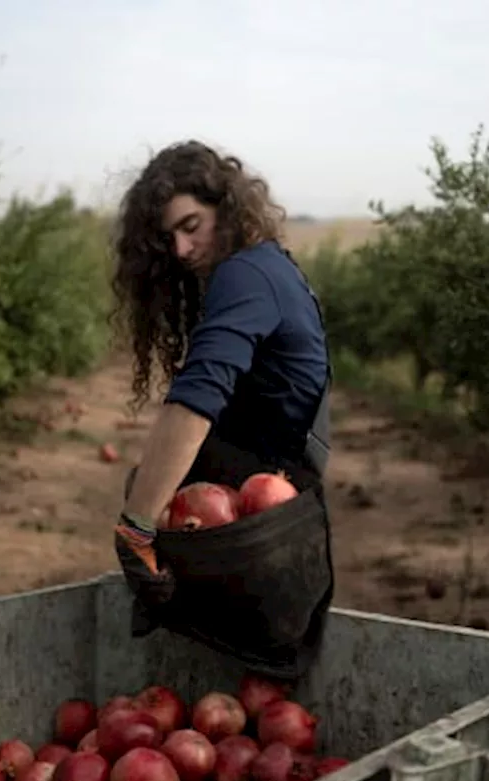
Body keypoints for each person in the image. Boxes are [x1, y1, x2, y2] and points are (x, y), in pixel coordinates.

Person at [110, 140, 335, 677]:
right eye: (170, 239)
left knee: (146, 496)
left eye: (192, 225)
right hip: (267, 498)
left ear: (226, 208)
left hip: (262, 518)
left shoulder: (247, 274)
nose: (183, 250)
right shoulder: (269, 267)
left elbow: (198, 395)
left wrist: (136, 527)